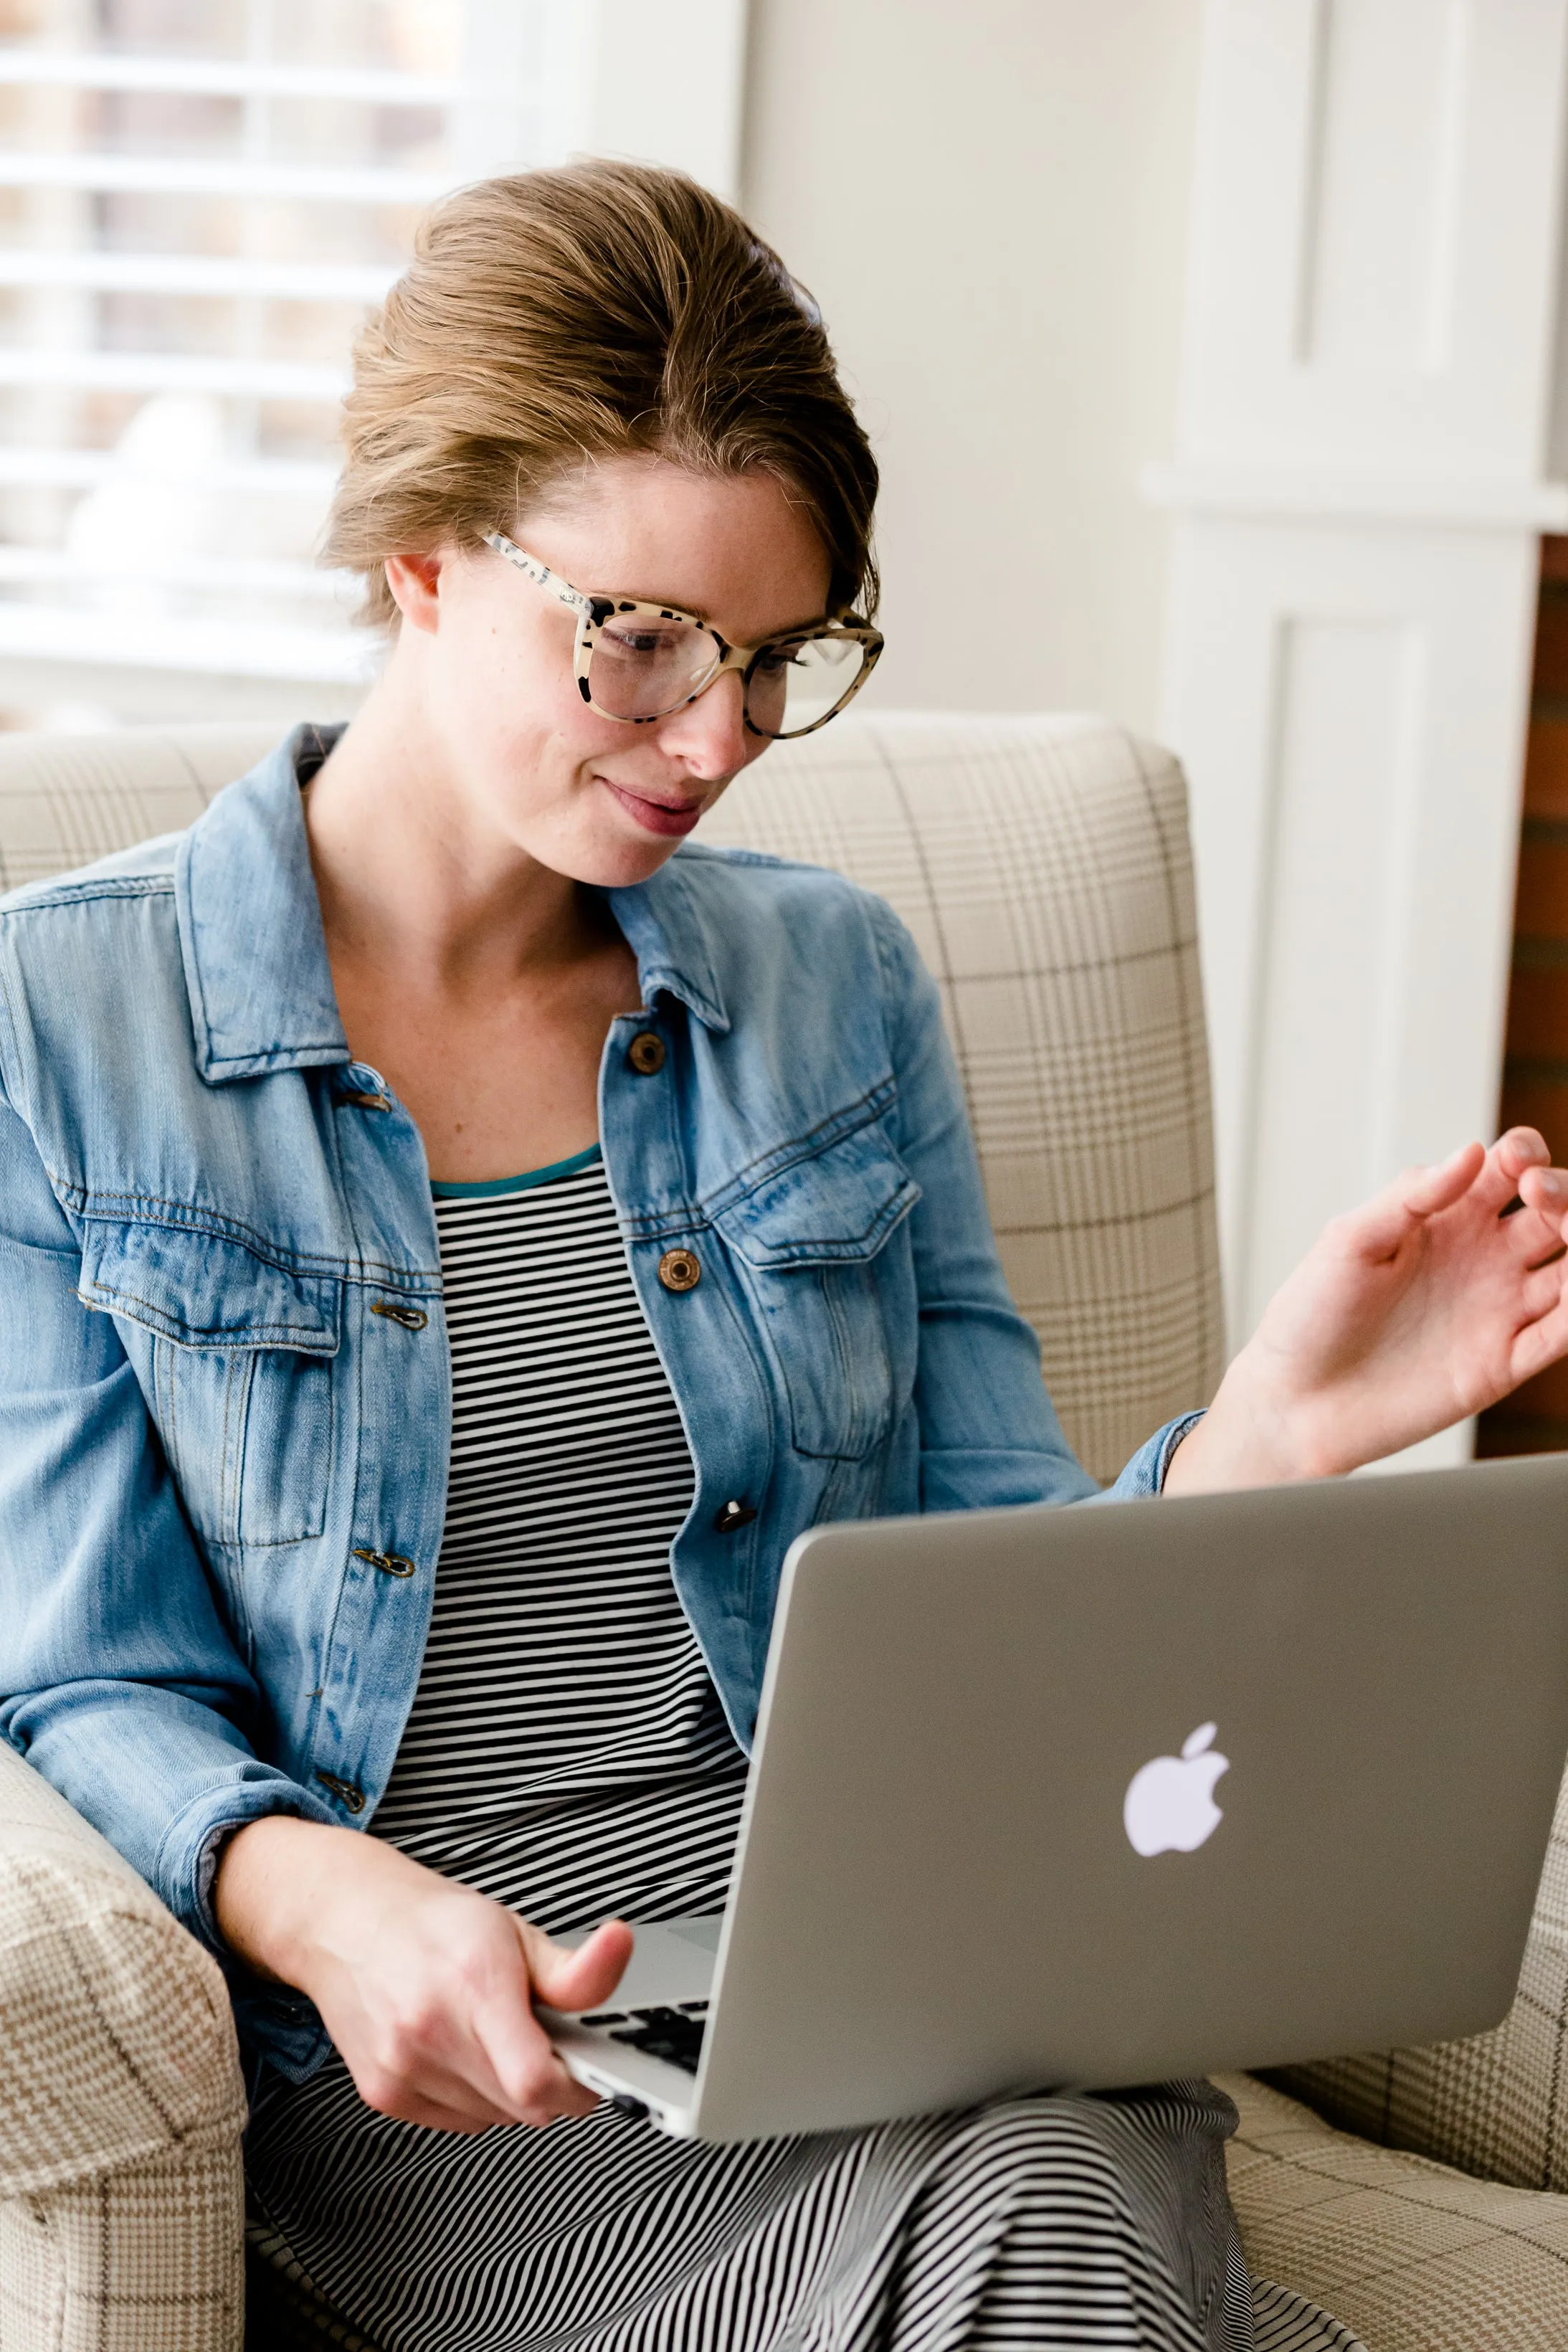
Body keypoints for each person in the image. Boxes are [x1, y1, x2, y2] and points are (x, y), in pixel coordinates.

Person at [2, 163, 1566, 2352]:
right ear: (420, 557)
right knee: (1060, 2218)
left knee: (1046, 2176)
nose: (718, 736)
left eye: (774, 655)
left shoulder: (831, 992)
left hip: (889, 2003)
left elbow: (1008, 1623)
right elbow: (89, 1679)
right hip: (467, 2091)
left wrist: (1275, 1435)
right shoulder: (64, 1028)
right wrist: (338, 1907)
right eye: (637, 639)